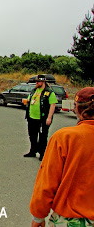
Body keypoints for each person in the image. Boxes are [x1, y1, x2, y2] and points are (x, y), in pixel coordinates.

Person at [29, 87, 94, 226]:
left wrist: (38, 216)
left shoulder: (65, 137)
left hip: (72, 219)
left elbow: (47, 182)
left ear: (77, 108)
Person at [24, 74, 57, 160]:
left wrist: (49, 118)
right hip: (31, 117)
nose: (36, 83)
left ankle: (42, 154)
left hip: (43, 118)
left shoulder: (49, 92)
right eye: (35, 81)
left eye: (38, 81)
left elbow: (53, 105)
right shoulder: (34, 90)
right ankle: (33, 151)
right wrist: (26, 102)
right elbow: (29, 100)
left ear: (43, 82)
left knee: (42, 136)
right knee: (32, 135)